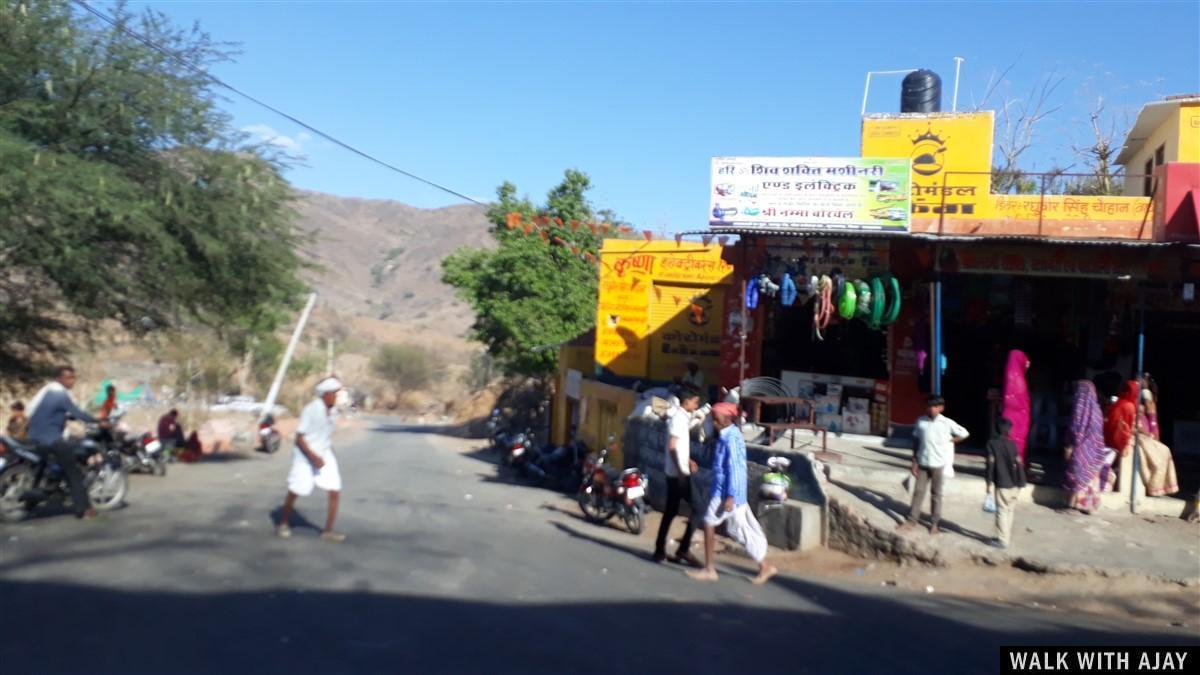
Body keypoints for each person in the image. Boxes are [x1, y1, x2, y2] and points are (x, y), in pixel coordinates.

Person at [686, 402, 777, 584]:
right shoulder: (726, 436)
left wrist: (730, 496)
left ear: (727, 418)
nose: (714, 421)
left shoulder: (731, 439)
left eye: (717, 418)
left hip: (726, 492)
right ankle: (764, 566)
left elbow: (735, 468)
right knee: (739, 529)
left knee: (710, 523)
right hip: (726, 491)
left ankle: (710, 569)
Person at [277, 377, 347, 542]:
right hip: (305, 455)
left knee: (334, 489)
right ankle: (283, 523)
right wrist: (313, 457)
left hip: (325, 453)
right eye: (335, 394)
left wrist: (322, 455)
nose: (337, 397)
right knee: (297, 489)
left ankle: (328, 531)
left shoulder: (333, 411)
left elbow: (351, 409)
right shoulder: (311, 410)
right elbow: (299, 438)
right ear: (326, 394)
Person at [25, 366, 98, 519]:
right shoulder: (60, 395)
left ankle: (30, 504)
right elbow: (78, 413)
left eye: (73, 377)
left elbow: (40, 412)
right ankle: (84, 510)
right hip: (51, 439)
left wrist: (64, 417)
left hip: (34, 437)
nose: (72, 381)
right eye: (69, 378)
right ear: (59, 379)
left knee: (45, 468)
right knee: (74, 473)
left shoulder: (46, 392)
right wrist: (99, 421)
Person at [899, 395, 969, 535]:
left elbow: (964, 433)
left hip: (938, 464)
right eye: (929, 406)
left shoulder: (947, 423)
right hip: (923, 462)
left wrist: (951, 440)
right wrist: (914, 462)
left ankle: (934, 523)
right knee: (918, 492)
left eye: (935, 406)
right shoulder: (921, 422)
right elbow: (916, 442)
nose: (931, 409)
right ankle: (912, 520)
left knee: (936, 494)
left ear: (941, 408)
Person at [653, 387, 702, 567]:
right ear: (687, 401)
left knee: (671, 510)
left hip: (676, 470)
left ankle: (660, 549)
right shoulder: (679, 419)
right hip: (678, 474)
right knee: (698, 508)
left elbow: (678, 447)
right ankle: (683, 549)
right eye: (695, 402)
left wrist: (687, 460)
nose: (696, 406)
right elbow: (673, 446)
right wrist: (682, 470)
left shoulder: (681, 418)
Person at [1105, 380, 1179, 497]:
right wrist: (1140, 433)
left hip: (1134, 436)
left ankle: (1158, 486)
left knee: (1163, 451)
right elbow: (1126, 427)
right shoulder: (1127, 406)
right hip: (1127, 438)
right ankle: (1154, 486)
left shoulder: (1127, 404)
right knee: (1156, 454)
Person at [1064, 380, 1115, 514]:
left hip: (1082, 448)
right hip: (1095, 449)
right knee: (1091, 476)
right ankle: (1088, 506)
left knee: (1077, 474)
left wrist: (1070, 444)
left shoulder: (1080, 408)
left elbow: (1075, 428)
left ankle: (1074, 505)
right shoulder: (1097, 409)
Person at [986, 418, 1025, 549]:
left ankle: (1002, 540)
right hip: (1015, 483)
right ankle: (1005, 537)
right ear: (1008, 430)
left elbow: (990, 464)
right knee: (1010, 511)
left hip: (1003, 483)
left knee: (1002, 511)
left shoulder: (992, 444)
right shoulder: (1013, 444)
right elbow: (1018, 462)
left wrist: (989, 482)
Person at [1001, 349, 1031, 465]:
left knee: (1009, 438)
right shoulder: (1018, 378)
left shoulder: (1010, 374)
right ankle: (1016, 466)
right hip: (1018, 417)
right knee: (1017, 440)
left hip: (1009, 416)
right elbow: (1020, 402)